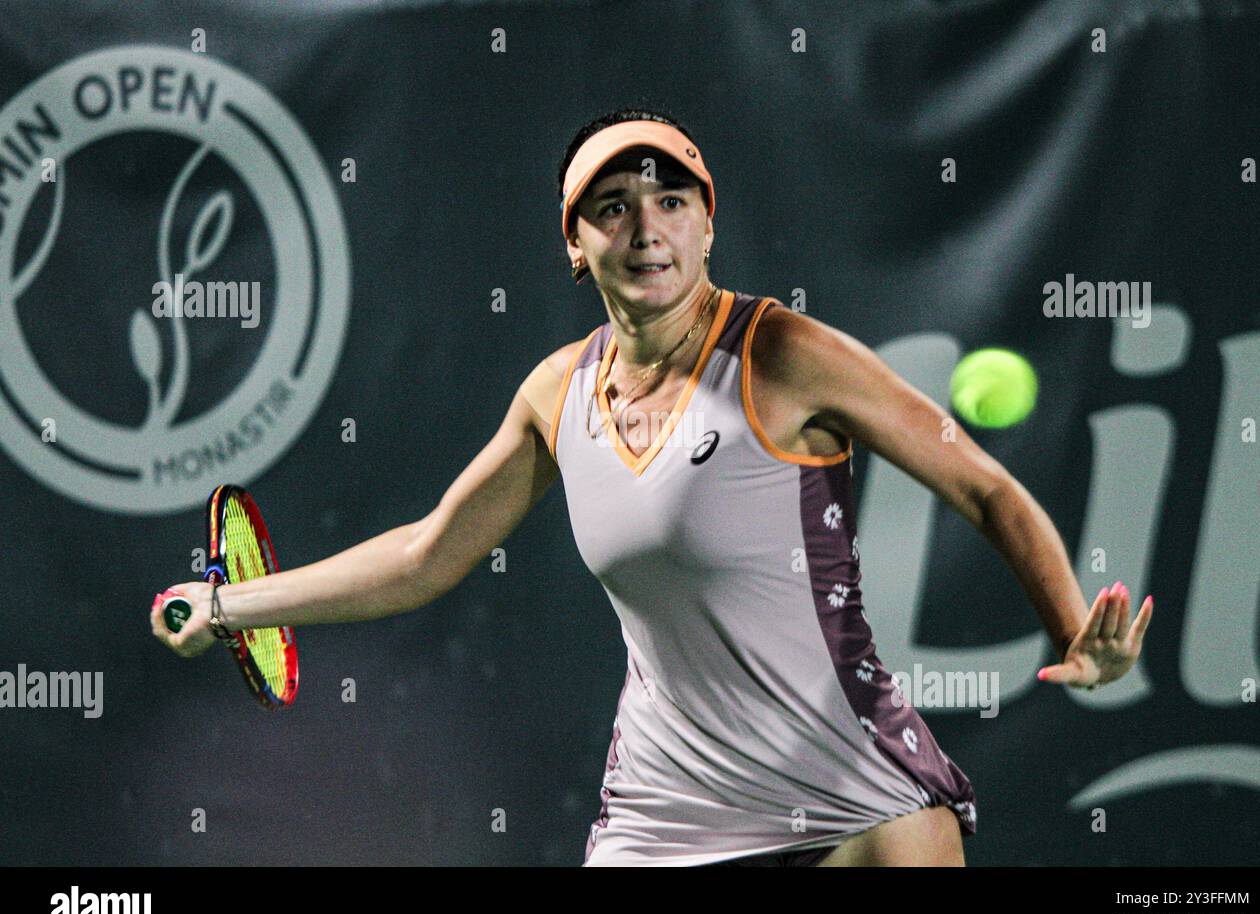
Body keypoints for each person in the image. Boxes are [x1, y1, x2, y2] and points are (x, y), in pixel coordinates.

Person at [151, 106, 1153, 867]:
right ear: (574, 241)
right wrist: (231, 602)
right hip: (663, 812)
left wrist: (1075, 633)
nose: (646, 229)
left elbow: (985, 489)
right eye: (613, 206)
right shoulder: (557, 392)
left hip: (857, 796)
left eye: (671, 200)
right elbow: (426, 553)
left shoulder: (784, 353)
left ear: (707, 224)